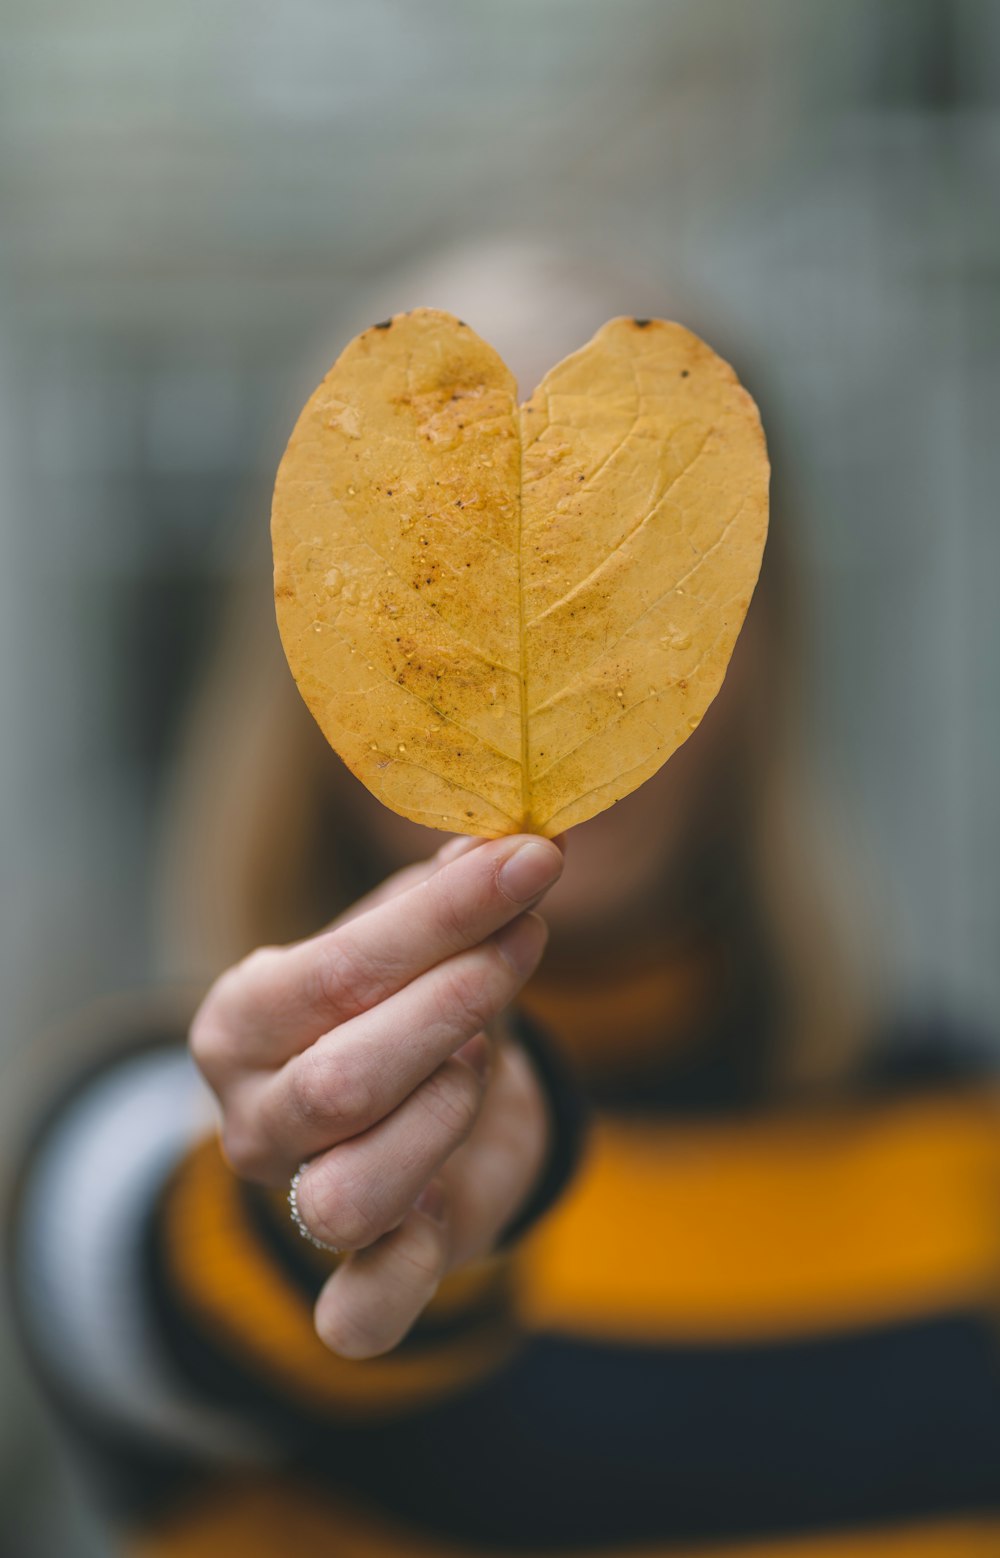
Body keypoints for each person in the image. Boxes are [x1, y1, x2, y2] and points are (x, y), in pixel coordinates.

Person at [9, 247, 1000, 1557]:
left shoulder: (960, 1138)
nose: (553, 643)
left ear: (763, 639)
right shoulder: (162, 1120)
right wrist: (338, 1196)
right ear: (298, 667)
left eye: (638, 574)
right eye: (428, 585)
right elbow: (137, 1269)